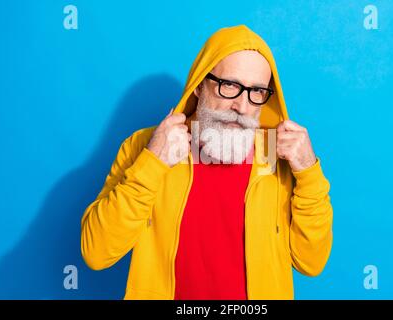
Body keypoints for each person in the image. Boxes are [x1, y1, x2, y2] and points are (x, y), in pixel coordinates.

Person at [81, 25, 333, 300]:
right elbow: (97, 253)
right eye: (230, 86)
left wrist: (309, 173)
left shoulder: (279, 158)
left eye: (257, 91)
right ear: (200, 85)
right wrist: (152, 163)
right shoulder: (145, 146)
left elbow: (311, 263)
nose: (243, 106)